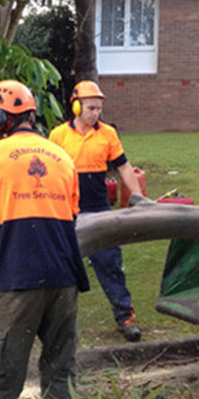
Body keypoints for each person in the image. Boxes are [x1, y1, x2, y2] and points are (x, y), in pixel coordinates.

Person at [0, 80, 90, 399]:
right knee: (61, 369)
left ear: (1, 118)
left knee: (2, 368)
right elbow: (71, 216)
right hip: (65, 276)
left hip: (19, 276)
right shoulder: (63, 156)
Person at [49, 80, 147, 342]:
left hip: (99, 210)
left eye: (99, 109)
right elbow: (50, 172)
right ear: (77, 106)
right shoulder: (58, 136)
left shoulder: (107, 134)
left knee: (110, 264)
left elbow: (124, 168)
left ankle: (125, 317)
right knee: (63, 268)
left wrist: (139, 198)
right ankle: (57, 323)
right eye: (91, 108)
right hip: (66, 213)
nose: (96, 113)